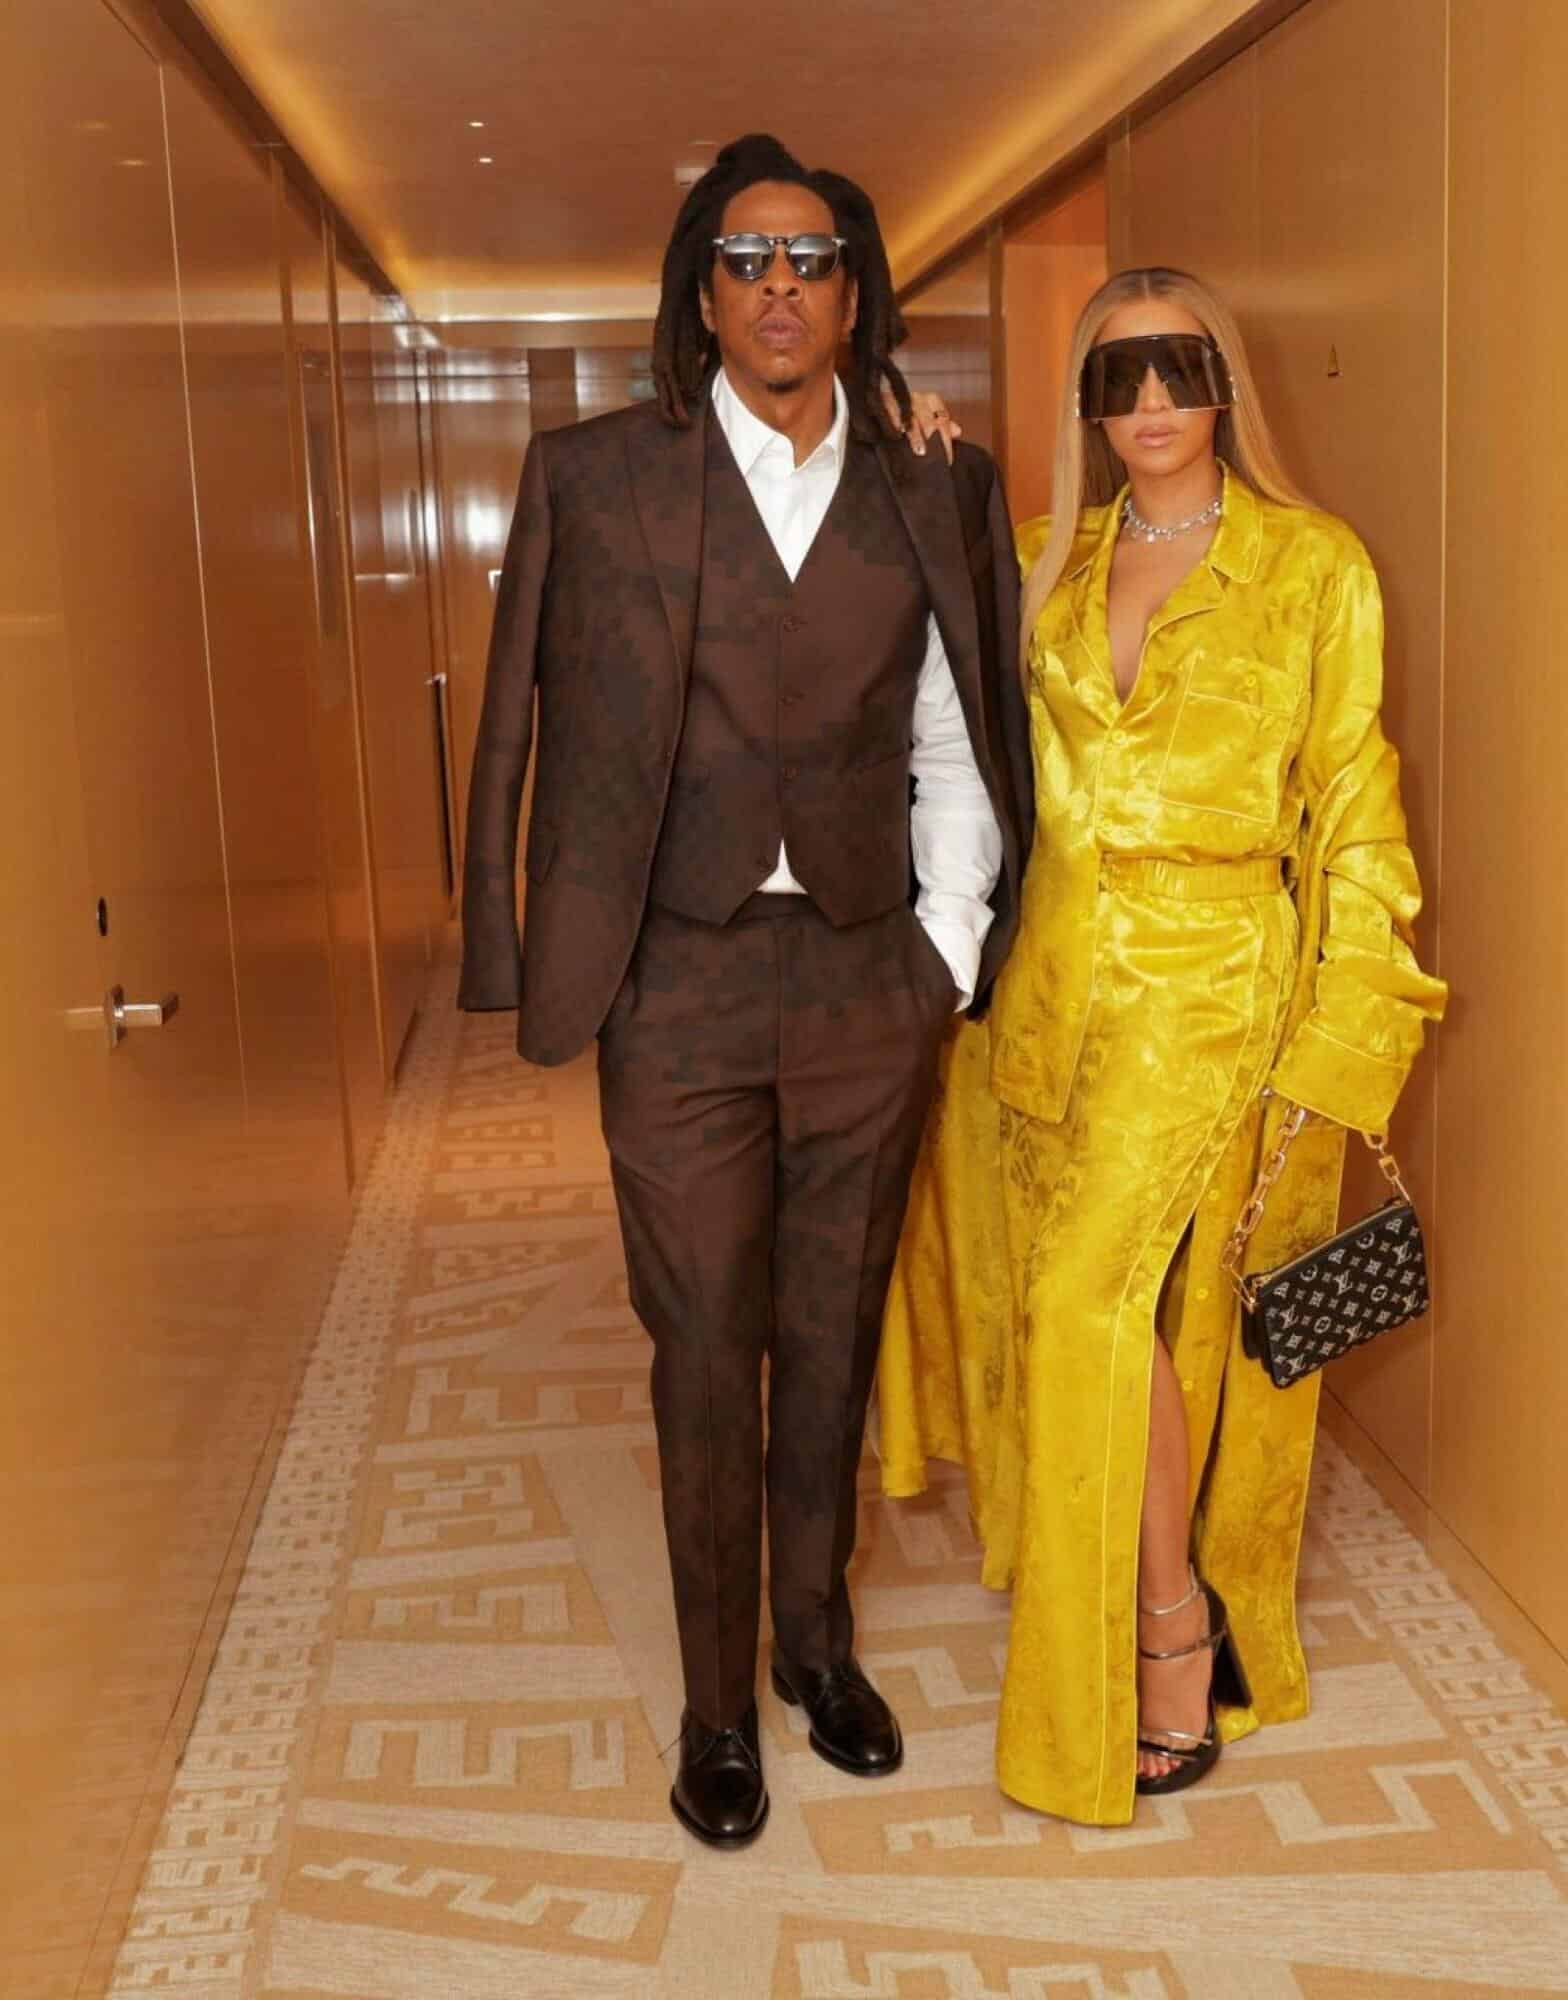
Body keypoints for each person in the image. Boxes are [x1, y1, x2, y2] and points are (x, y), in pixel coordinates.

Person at [457, 133, 1033, 1851]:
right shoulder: (591, 476)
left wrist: (944, 943)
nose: (781, 286)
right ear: (700, 294)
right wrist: (519, 944)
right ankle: (719, 1705)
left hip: (868, 975)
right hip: (678, 981)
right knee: (708, 1339)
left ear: (856, 294)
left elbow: (962, 723)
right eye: (745, 258)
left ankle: (814, 1646)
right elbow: (516, 718)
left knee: (834, 1329)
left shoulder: (935, 481)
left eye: (812, 259)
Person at [876, 266, 1446, 1826]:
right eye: (1114, 377)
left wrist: (1347, 1030)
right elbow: (926, 693)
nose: (1147, 405)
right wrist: (923, 485)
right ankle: (1141, 1605)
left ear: (1225, 385)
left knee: (1088, 1303)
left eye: (1177, 370)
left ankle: (1172, 1636)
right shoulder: (1045, 562)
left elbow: (1356, 802)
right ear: (1085, 402)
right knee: (1099, 1316)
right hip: (1049, 996)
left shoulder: (1310, 566)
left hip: (1215, 984)